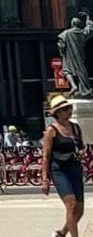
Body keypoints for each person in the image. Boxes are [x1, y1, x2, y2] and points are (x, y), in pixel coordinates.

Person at [43, 92, 85, 237]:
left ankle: (61, 233)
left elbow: (81, 147)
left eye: (69, 108)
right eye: (64, 110)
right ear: (57, 113)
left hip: (74, 167)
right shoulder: (51, 131)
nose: (68, 112)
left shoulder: (75, 128)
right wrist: (45, 179)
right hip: (59, 169)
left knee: (79, 209)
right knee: (71, 205)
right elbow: (46, 156)